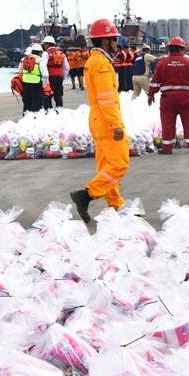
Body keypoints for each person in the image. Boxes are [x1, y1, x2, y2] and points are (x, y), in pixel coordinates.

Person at [69, 19, 128, 224]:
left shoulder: (94, 60)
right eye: (113, 39)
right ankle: (86, 196)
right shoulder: (102, 64)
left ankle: (116, 204)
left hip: (98, 119)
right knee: (120, 163)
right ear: (105, 41)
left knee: (106, 165)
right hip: (106, 120)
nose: (116, 43)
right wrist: (116, 125)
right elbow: (106, 98)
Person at [148, 37, 189, 154]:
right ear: (182, 49)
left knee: (167, 123)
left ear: (170, 49)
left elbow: (155, 82)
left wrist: (151, 94)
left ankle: (167, 147)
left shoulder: (162, 63)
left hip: (168, 100)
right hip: (187, 99)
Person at [41, 36, 68, 109]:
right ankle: (59, 111)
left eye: (44, 44)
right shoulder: (61, 54)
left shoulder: (46, 54)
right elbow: (67, 67)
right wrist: (63, 77)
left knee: (47, 96)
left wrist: (45, 79)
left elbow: (43, 66)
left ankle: (49, 113)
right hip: (59, 78)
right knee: (58, 96)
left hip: (50, 78)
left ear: (47, 45)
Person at [18, 46, 46, 114]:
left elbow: (19, 71)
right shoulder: (40, 60)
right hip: (36, 84)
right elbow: (45, 75)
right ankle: (35, 119)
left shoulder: (23, 59)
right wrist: (45, 85)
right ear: (39, 52)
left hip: (25, 84)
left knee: (27, 103)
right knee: (37, 103)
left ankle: (26, 119)